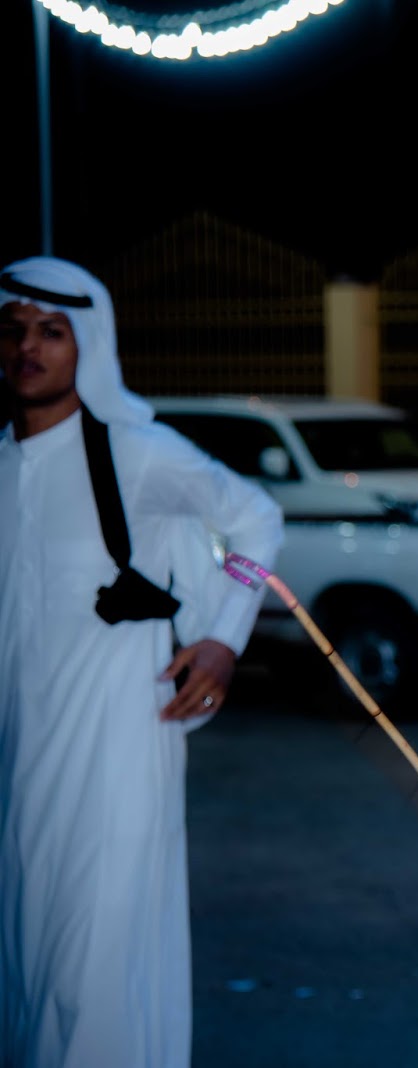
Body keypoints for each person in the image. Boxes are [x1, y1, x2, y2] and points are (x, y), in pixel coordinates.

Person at [0, 257, 284, 1067]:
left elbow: (257, 518)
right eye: (14, 330)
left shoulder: (139, 452)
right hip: (21, 758)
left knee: (96, 958)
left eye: (52, 332)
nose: (29, 348)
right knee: (26, 953)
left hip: (118, 741)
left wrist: (224, 638)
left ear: (88, 345)